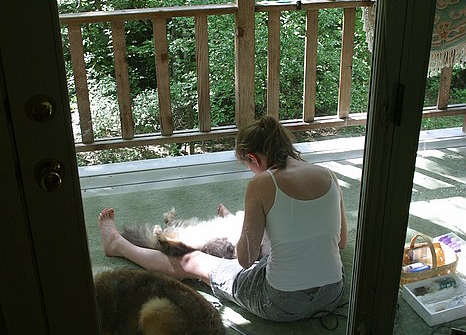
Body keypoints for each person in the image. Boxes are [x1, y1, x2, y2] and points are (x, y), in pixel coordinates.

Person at [98, 115, 348, 322]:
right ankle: (236, 222)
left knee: (189, 260)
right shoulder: (328, 175)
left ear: (253, 158)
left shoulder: (262, 183)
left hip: (280, 302)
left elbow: (245, 259)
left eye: (248, 165)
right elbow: (340, 242)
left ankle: (118, 245)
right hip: (332, 293)